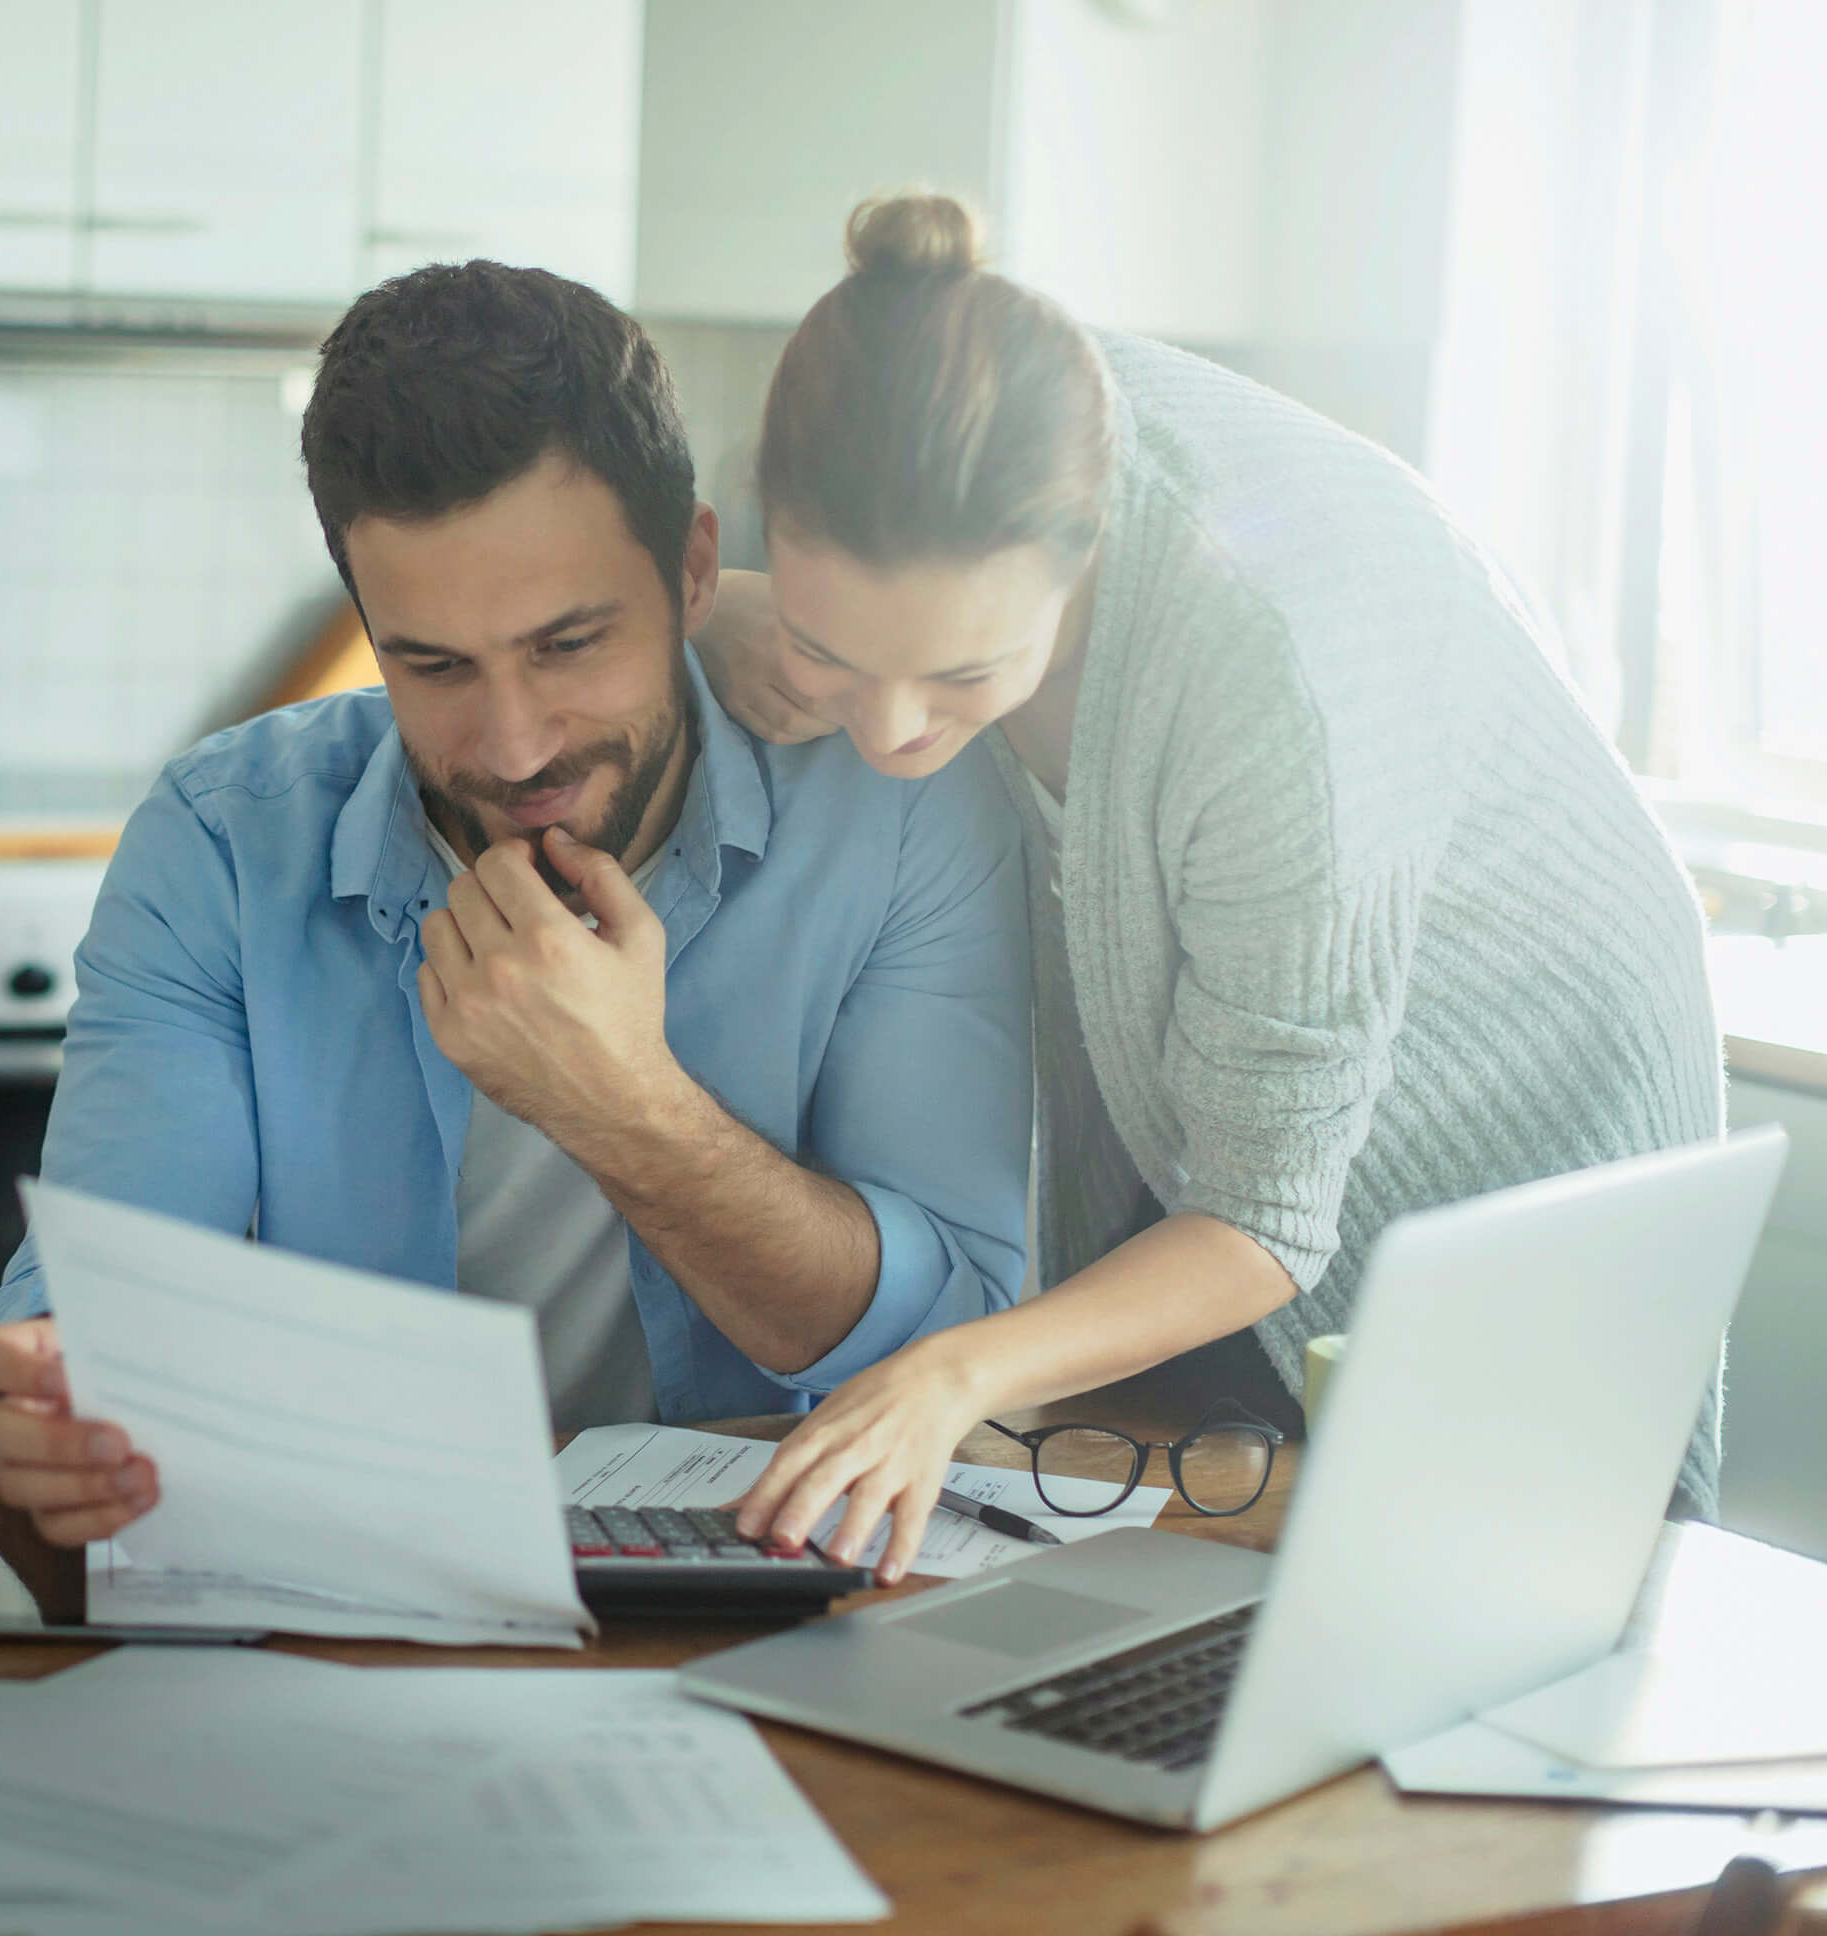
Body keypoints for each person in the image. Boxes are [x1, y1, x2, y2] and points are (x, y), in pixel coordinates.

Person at [0, 260, 1033, 1563]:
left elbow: (953, 1332)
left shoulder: (900, 816)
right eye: (435, 665)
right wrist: (70, 1398)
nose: (514, 746)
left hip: (769, 1593)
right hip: (343, 1586)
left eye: (570, 645)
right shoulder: (227, 840)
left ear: (697, 573)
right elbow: (112, 1291)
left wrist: (628, 1108)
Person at [702, 194, 1725, 1567]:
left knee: (1501, 1580)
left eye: (960, 677)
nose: (889, 736)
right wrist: (747, 612)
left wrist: (951, 1374)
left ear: (1086, 556)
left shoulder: (1267, 673)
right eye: (839, 653)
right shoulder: (941, 419)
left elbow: (1257, 1217)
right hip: (1235, 1160)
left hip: (1523, 1074)